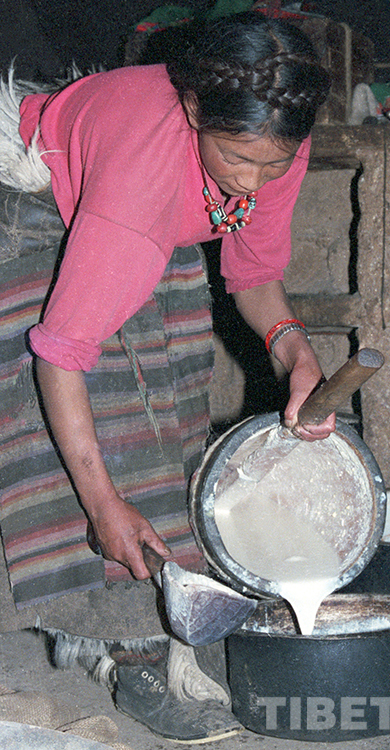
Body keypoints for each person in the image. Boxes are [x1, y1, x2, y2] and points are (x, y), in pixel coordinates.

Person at [1, 10, 334, 742]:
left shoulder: (273, 133)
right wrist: (102, 505)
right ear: (191, 109)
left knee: (175, 408)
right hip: (38, 193)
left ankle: (172, 621)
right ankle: (131, 653)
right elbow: (60, 352)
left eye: (272, 165)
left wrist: (293, 350)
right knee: (115, 418)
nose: (253, 179)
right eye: (237, 157)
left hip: (163, 205)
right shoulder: (139, 180)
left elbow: (253, 273)